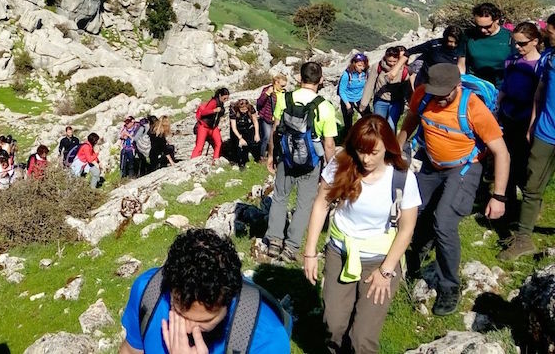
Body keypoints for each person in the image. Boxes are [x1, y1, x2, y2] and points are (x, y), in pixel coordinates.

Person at [397, 63, 509, 316]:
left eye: (444, 94)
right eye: (434, 93)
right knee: (414, 212)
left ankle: (449, 285)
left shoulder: (473, 107)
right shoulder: (423, 94)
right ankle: (415, 258)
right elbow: (411, 119)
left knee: (444, 222)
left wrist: (498, 196)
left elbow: (501, 152)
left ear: (457, 86)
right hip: (431, 163)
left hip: (464, 167)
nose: (438, 98)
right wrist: (396, 148)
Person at [303, 115, 421, 354]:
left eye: (374, 152)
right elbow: (321, 205)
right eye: (361, 151)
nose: (366, 159)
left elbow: (407, 228)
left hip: (381, 260)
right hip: (340, 253)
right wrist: (310, 252)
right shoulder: (341, 164)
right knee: (333, 325)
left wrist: (386, 272)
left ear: (388, 146)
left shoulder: (402, 177)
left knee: (362, 338)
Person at [119, 228, 290, 353]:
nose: (186, 329)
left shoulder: (268, 339)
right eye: (178, 313)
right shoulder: (148, 291)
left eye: (204, 321)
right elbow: (131, 350)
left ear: (229, 300)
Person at [265, 61, 338, 262]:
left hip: (286, 157)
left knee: (280, 197)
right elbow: (329, 144)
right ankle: (291, 247)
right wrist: (331, 170)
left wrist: (271, 155)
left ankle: (274, 241)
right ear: (321, 80)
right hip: (311, 161)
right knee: (304, 204)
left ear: (299, 78)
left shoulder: (285, 98)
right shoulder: (325, 107)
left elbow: (275, 130)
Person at [500, 14, 555, 260]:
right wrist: (533, 123)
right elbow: (540, 92)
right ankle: (523, 239)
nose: (547, 36)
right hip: (545, 131)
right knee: (532, 187)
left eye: (550, 32)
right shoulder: (548, 58)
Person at [497, 21, 544, 211]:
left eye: (522, 43)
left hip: (526, 119)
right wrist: (497, 108)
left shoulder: (541, 65)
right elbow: (505, 86)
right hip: (508, 115)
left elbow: (540, 97)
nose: (517, 47)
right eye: (515, 43)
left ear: (535, 41)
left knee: (523, 163)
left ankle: (530, 203)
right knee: (505, 159)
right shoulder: (512, 61)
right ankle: (506, 201)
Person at [458, 2, 512, 86]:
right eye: (479, 26)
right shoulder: (468, 35)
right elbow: (461, 63)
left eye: (487, 26)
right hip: (475, 84)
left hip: (502, 85)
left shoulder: (509, 37)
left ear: (497, 20)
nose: (482, 30)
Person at [359, 47, 410, 131]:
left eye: (394, 61)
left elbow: (407, 89)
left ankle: (390, 139)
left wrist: (410, 104)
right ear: (385, 57)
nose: (392, 64)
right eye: (389, 61)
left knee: (391, 126)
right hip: (380, 101)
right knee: (378, 125)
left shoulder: (404, 70)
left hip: (396, 102)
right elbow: (370, 85)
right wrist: (363, 103)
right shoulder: (378, 67)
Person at [192, 88, 228, 160]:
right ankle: (193, 161)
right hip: (204, 126)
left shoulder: (221, 103)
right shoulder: (213, 102)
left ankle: (216, 159)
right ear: (220, 95)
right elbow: (204, 112)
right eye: (225, 98)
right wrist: (214, 110)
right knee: (199, 146)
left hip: (213, 127)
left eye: (227, 98)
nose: (226, 100)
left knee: (219, 143)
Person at [256, 75, 286, 161]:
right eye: (282, 85)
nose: (283, 87)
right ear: (276, 82)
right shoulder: (267, 90)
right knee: (266, 136)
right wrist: (267, 94)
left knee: (275, 137)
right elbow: (259, 103)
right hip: (267, 117)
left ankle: (273, 154)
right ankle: (261, 156)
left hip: (277, 118)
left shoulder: (283, 92)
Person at [337, 53, 369, 132]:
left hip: (360, 98)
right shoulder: (347, 74)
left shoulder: (365, 73)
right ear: (354, 64)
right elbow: (341, 91)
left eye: (363, 66)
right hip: (347, 99)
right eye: (359, 65)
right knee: (348, 124)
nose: (362, 68)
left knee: (368, 118)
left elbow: (366, 86)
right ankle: (348, 136)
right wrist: (348, 105)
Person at [228, 98, 260, 169]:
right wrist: (240, 138)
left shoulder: (250, 108)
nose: (244, 111)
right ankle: (239, 162)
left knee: (250, 143)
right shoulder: (234, 111)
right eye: (242, 110)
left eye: (245, 110)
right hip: (237, 128)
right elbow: (234, 127)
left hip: (247, 126)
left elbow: (255, 121)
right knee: (237, 145)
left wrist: (257, 134)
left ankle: (254, 158)